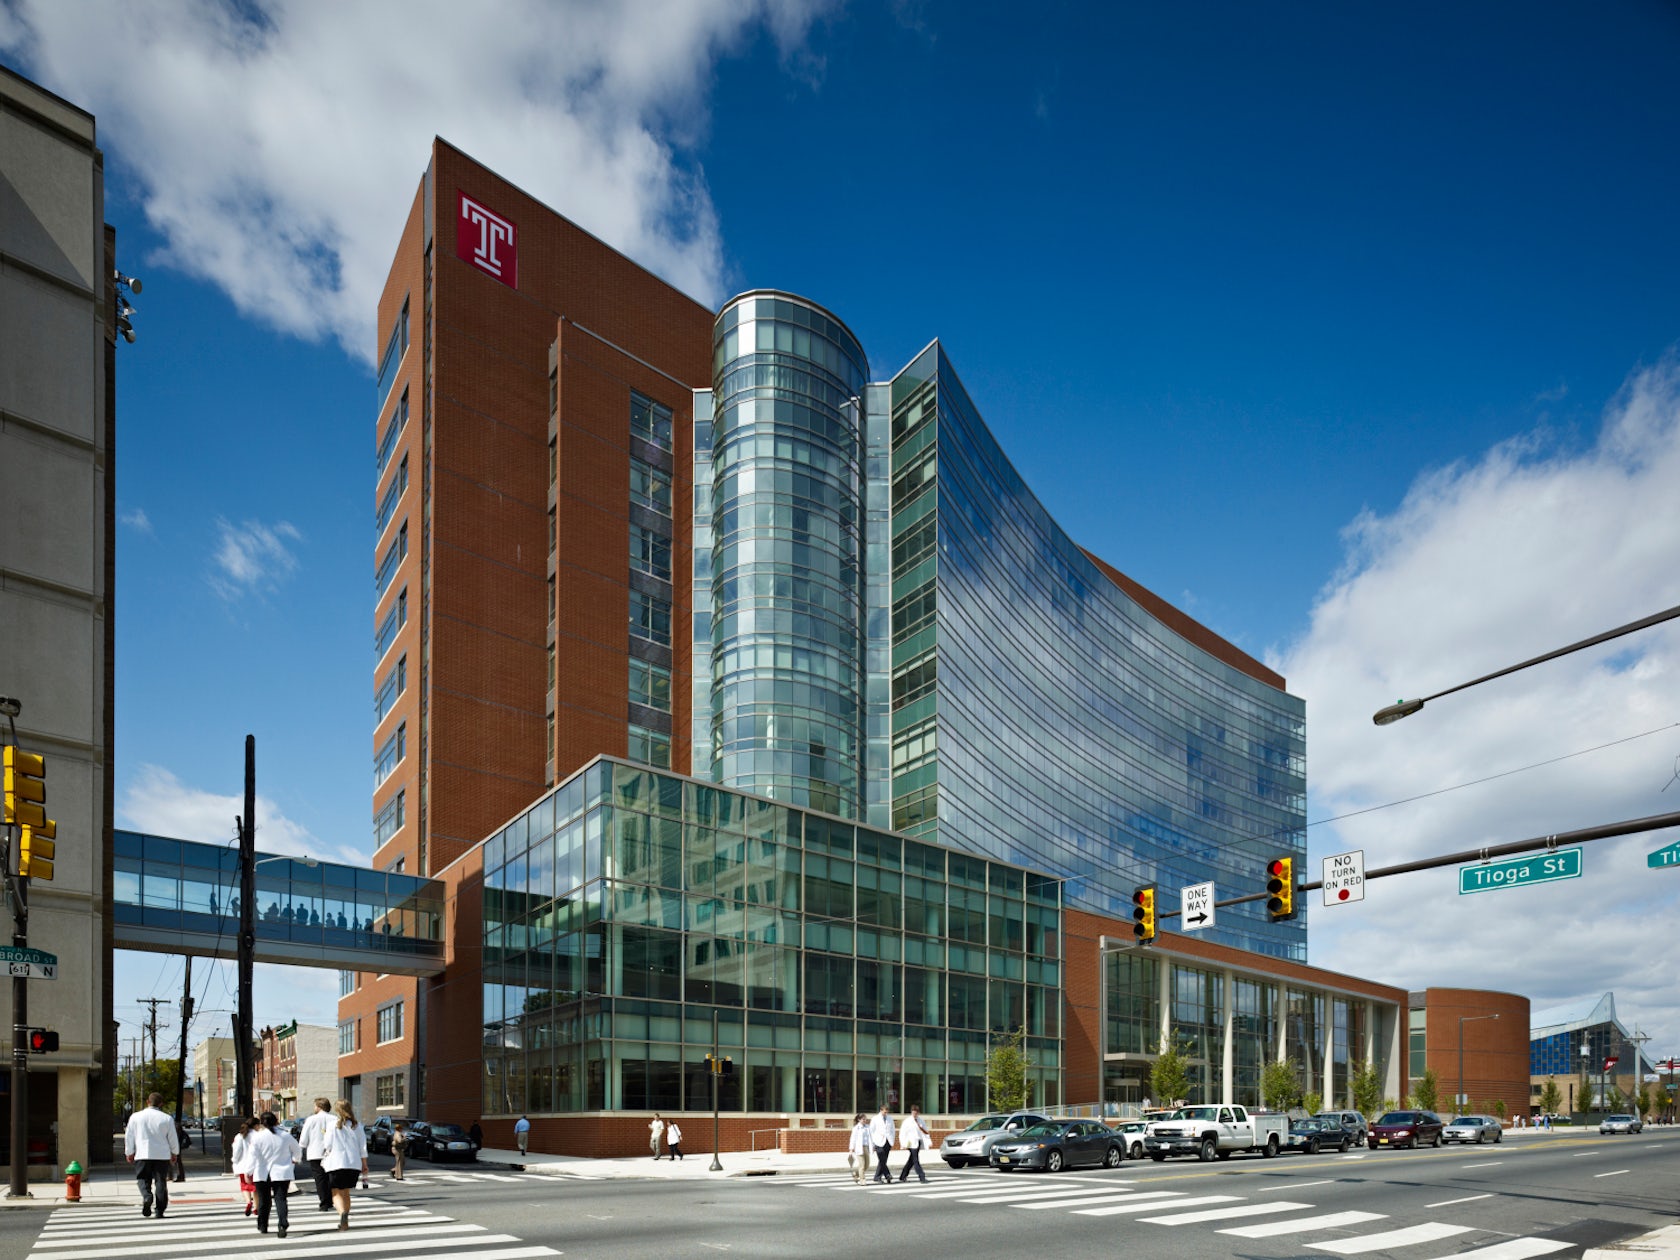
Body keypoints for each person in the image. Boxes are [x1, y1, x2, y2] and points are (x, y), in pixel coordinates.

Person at [123, 1092, 180, 1220]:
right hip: (162, 1155)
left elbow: (129, 1136)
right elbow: (172, 1138)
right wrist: (174, 1152)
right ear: (161, 1104)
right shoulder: (167, 1118)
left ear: (148, 1102)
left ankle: (147, 1196)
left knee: (143, 1178)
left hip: (142, 1153)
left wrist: (129, 1152)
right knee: (161, 1182)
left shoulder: (135, 1117)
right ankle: (159, 1210)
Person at [248, 1112, 303, 1238]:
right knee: (281, 1198)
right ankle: (282, 1223)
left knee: (264, 1200)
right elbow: (297, 1150)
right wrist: (295, 1159)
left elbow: (253, 1156)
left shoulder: (257, 1137)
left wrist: (248, 1171)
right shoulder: (285, 1135)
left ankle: (263, 1225)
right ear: (276, 1121)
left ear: (262, 1122)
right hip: (281, 1172)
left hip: (262, 1172)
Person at [319, 1099, 369, 1231]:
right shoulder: (358, 1126)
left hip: (336, 1163)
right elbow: (362, 1147)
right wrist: (364, 1164)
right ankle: (345, 1219)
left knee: (336, 1193)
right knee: (346, 1192)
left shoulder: (332, 1125)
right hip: (353, 1163)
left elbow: (327, 1145)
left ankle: (342, 1214)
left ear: (337, 1110)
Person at [298, 1097, 335, 1212]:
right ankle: (330, 1200)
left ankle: (324, 1202)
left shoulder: (311, 1120)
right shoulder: (334, 1119)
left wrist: (301, 1150)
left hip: (315, 1152)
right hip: (331, 1152)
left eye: (315, 1106)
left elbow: (304, 1138)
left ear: (319, 1107)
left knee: (319, 1178)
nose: (314, 1108)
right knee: (330, 1177)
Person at [231, 1116, 259, 1216]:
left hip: (242, 1165)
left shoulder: (240, 1136)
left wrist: (234, 1160)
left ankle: (248, 1202)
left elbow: (236, 1151)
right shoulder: (257, 1135)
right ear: (255, 1125)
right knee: (255, 1188)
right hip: (255, 1165)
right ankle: (256, 1207)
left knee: (244, 1186)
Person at [897, 1104, 932, 1183]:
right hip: (910, 1142)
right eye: (913, 1113)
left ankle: (903, 1176)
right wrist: (903, 1144)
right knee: (915, 1160)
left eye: (916, 1113)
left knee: (911, 1160)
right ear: (911, 1112)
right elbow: (902, 1133)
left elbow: (925, 1132)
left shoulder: (921, 1121)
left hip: (918, 1142)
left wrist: (929, 1141)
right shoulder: (907, 1121)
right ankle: (921, 1176)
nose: (915, 1114)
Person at [868, 1104, 895, 1183]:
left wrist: (892, 1140)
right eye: (884, 1112)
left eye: (887, 1112)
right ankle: (887, 1175)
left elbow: (892, 1130)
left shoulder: (890, 1118)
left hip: (888, 1141)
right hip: (878, 1142)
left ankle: (877, 1177)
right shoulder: (875, 1119)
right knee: (882, 1159)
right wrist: (872, 1144)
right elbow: (871, 1131)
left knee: (883, 1160)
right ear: (881, 1110)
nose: (886, 1113)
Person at [847, 1112, 870, 1184]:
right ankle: (862, 1180)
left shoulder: (867, 1127)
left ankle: (856, 1174)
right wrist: (851, 1149)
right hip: (859, 1148)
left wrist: (873, 1146)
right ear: (859, 1120)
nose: (865, 1120)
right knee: (862, 1165)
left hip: (866, 1147)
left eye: (865, 1119)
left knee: (867, 1165)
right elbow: (852, 1139)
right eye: (863, 1119)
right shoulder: (856, 1128)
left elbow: (871, 1138)